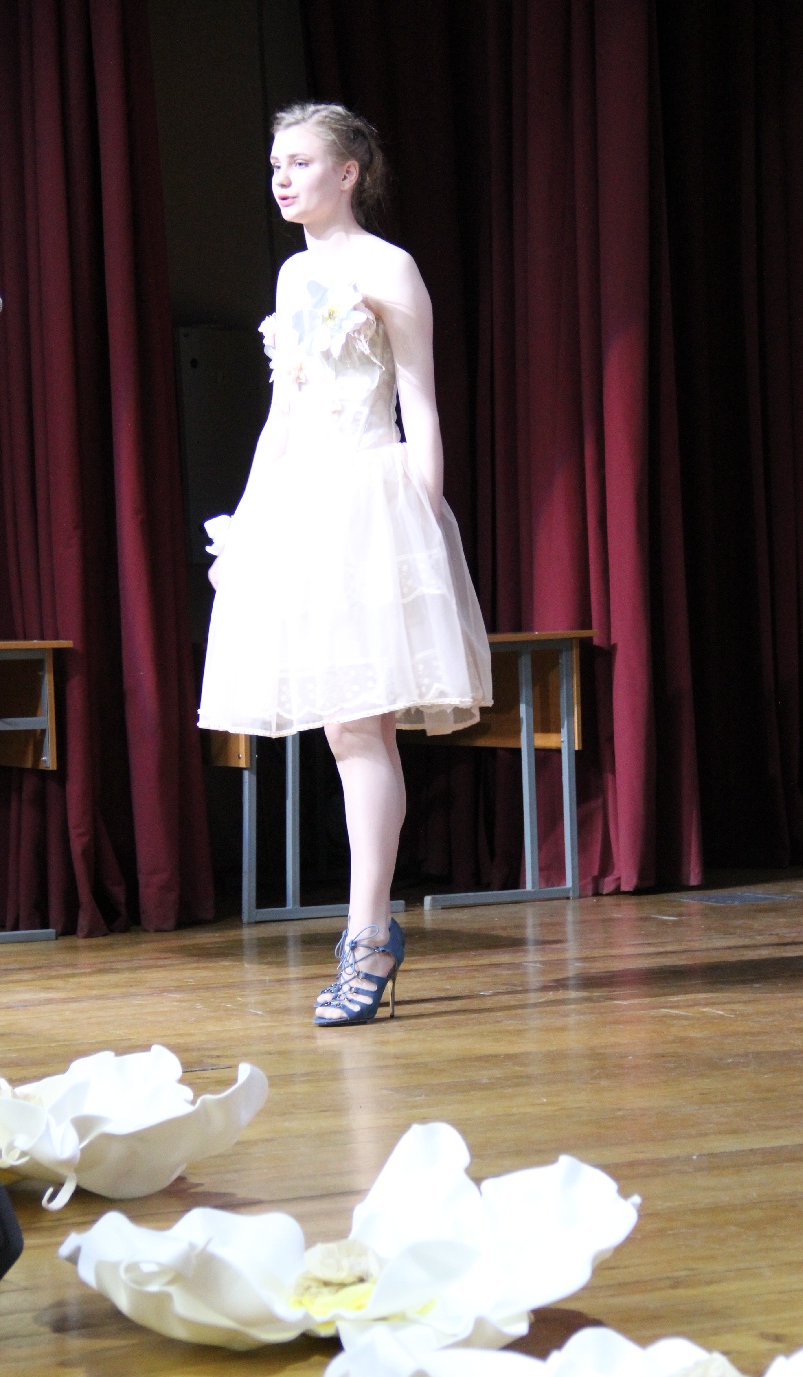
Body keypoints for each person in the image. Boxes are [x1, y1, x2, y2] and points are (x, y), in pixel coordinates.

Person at [198, 103, 491, 1027]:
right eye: (275, 164)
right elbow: (283, 416)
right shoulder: (294, 275)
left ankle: (366, 938)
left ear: (348, 172)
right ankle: (372, 934)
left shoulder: (388, 267)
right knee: (339, 729)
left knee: (362, 728)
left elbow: (419, 402)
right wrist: (247, 523)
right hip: (303, 506)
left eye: (300, 162)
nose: (282, 179)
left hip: (371, 499)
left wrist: (423, 522)